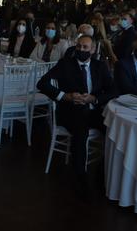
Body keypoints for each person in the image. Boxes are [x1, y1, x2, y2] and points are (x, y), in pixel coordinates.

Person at [36, 35, 116, 196]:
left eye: (85, 47)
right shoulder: (65, 64)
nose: (81, 50)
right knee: (80, 132)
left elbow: (113, 90)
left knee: (114, 129)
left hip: (93, 110)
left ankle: (106, 171)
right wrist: (65, 96)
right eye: (79, 47)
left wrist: (94, 98)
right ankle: (81, 178)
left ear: (92, 49)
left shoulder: (100, 66)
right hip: (69, 111)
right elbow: (42, 83)